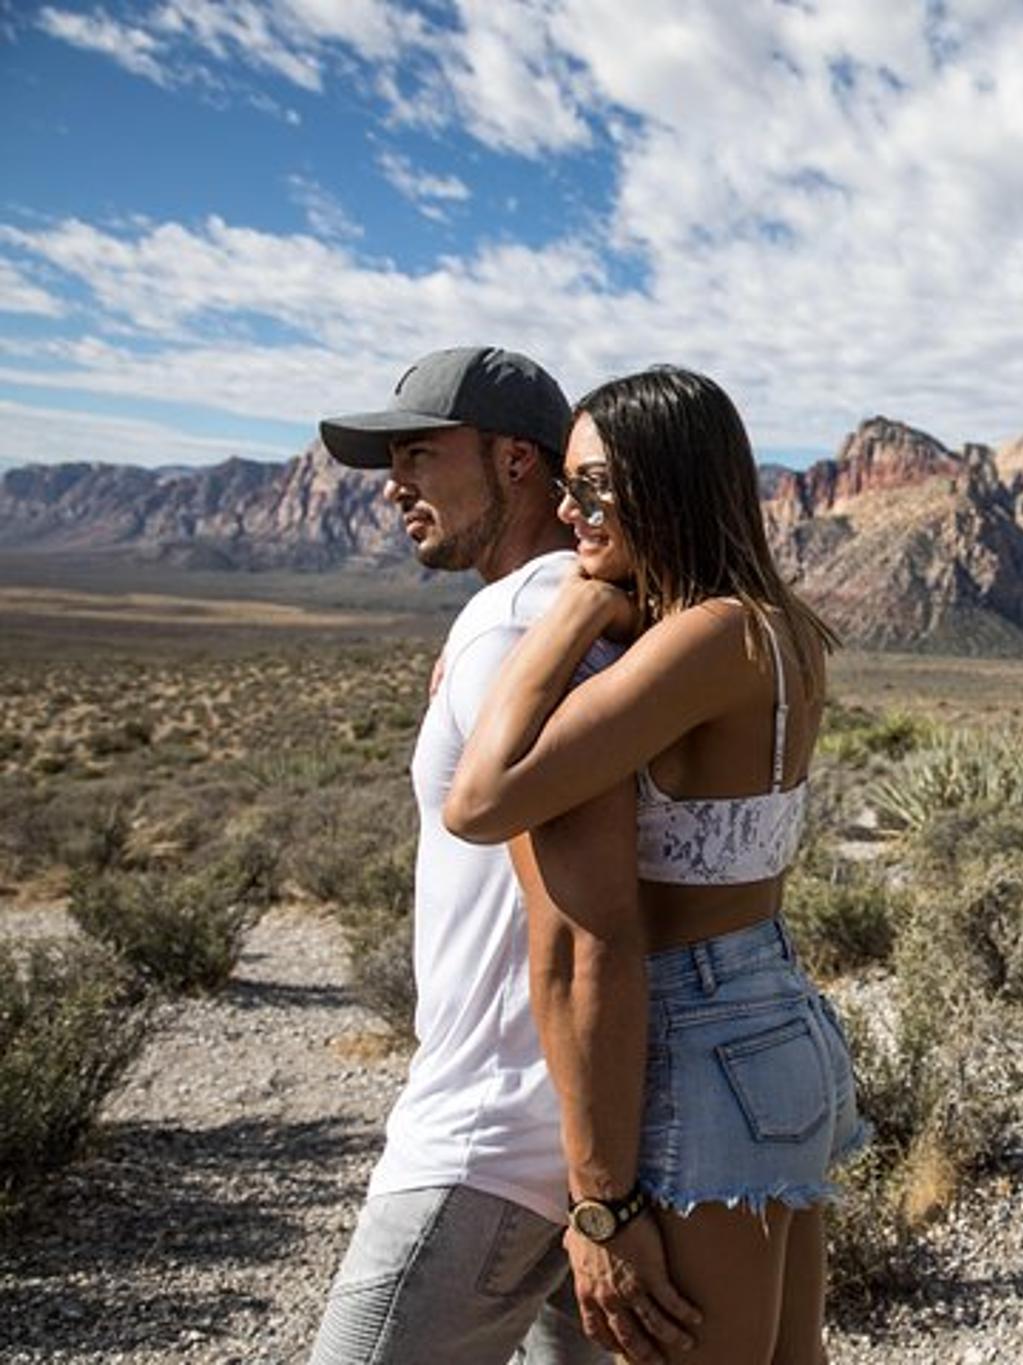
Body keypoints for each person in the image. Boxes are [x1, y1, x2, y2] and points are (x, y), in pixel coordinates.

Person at [442, 365, 867, 1365]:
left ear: (663, 482)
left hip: (700, 1033)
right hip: (772, 1014)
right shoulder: (777, 626)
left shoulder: (706, 638)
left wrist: (571, 616)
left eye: (592, 487)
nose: (565, 509)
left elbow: (482, 798)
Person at [308, 347, 697, 1365]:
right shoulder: (564, 615)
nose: (395, 483)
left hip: (494, 1148)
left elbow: (583, 923)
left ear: (517, 461)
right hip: (579, 1140)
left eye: (419, 453)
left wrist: (599, 1201)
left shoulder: (515, 627)